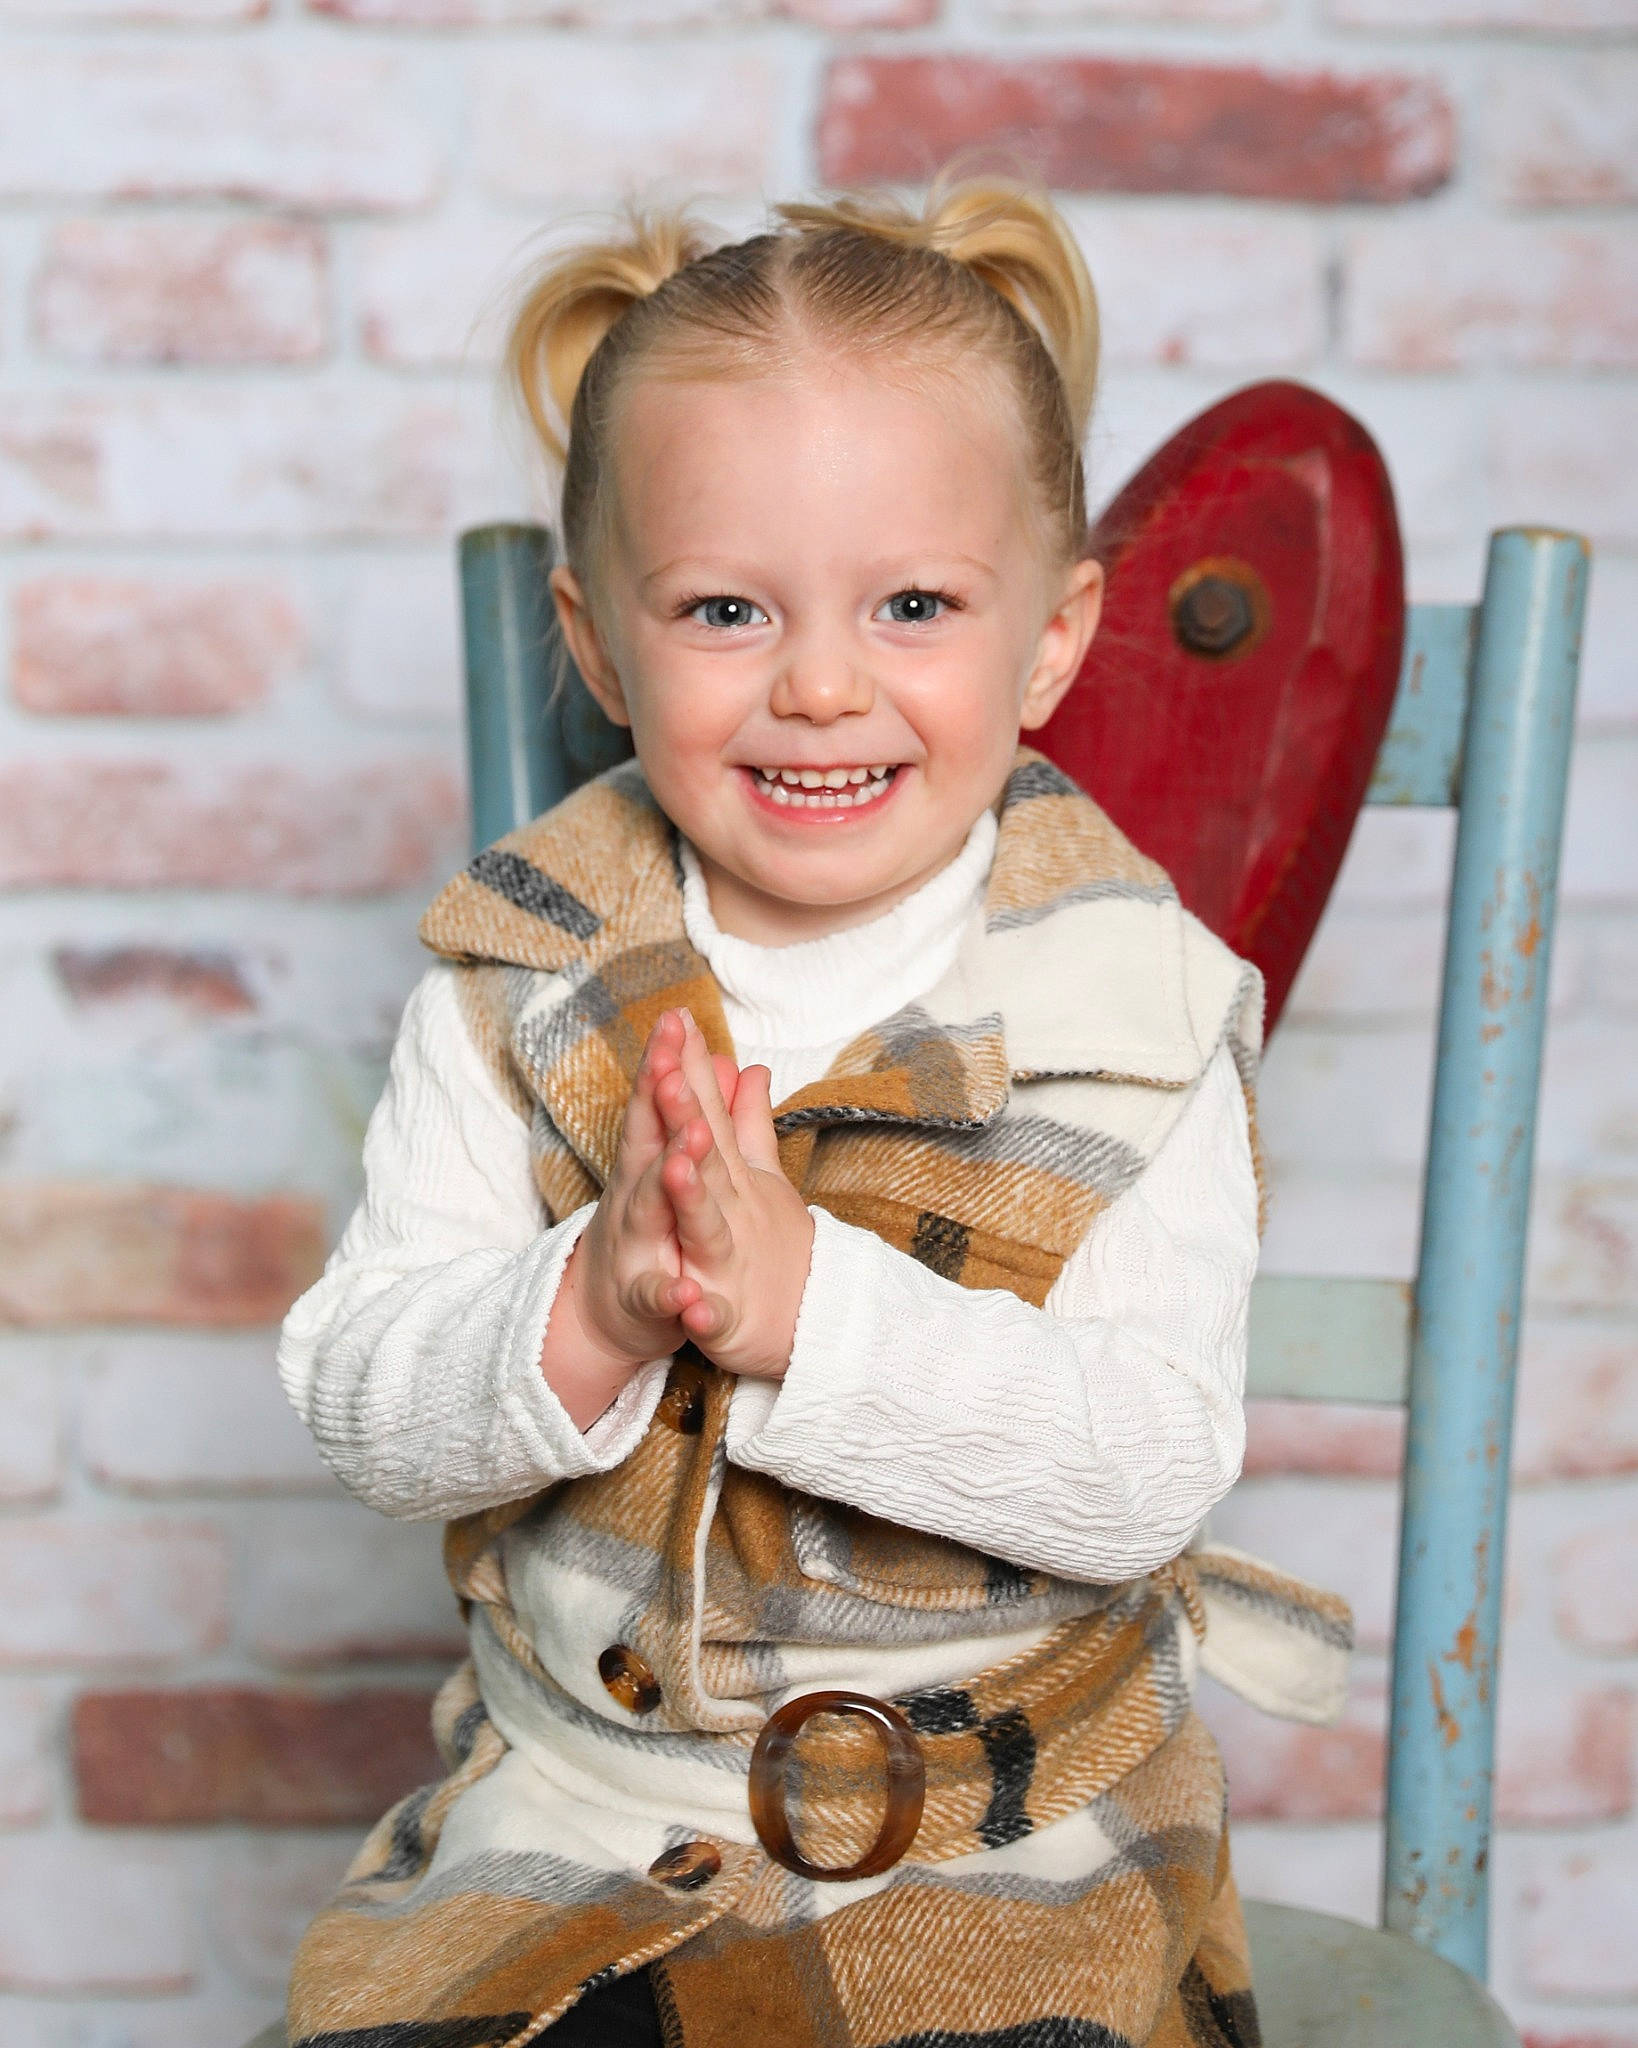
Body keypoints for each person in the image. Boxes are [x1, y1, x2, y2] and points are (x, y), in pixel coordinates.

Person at [276, 171, 1350, 2048]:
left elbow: (1142, 1466)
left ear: (1050, 637)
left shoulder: (1135, 1016)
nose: (823, 683)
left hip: (998, 1852)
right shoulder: (518, 979)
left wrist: (806, 1320)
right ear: (599, 646)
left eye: (914, 603)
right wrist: (587, 1308)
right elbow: (364, 1403)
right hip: (582, 1829)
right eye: (723, 610)